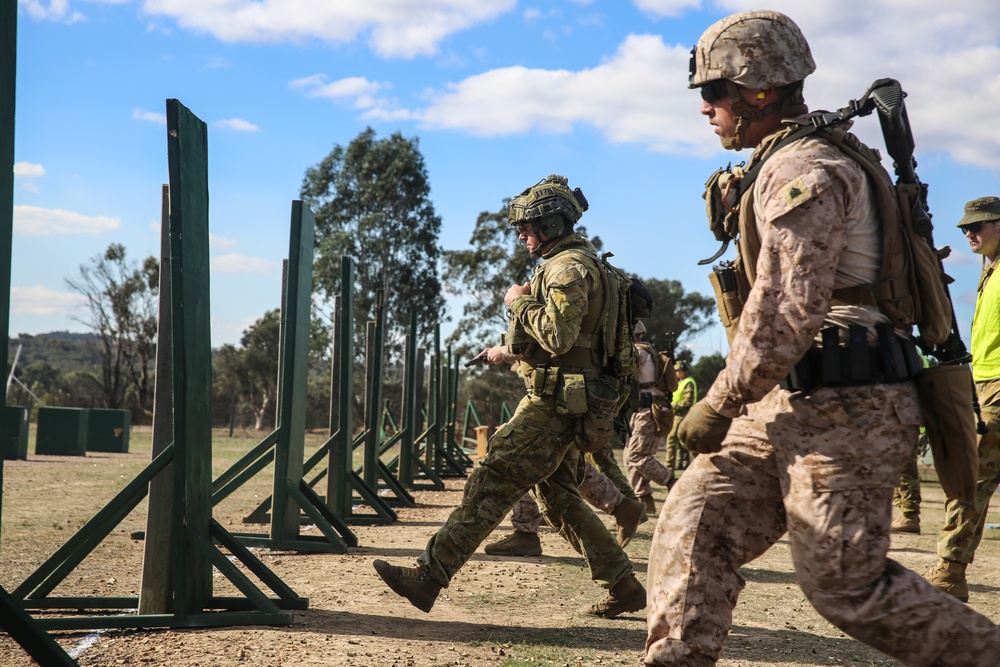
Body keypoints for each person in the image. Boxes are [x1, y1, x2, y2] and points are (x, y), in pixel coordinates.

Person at [645, 10, 1000, 666]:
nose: (705, 108)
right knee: (696, 516)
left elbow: (785, 311)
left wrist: (716, 404)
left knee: (847, 585)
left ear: (759, 91)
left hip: (848, 406)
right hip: (788, 400)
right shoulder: (790, 160)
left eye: (713, 91)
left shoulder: (805, 166)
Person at [374, 174, 646, 618]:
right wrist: (508, 348)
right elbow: (578, 344)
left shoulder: (565, 268)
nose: (522, 236)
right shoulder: (588, 264)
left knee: (492, 478)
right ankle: (624, 585)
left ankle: (429, 576)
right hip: (574, 400)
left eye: (528, 227)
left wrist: (516, 302)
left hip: (555, 403)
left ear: (553, 225)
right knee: (557, 497)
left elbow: (559, 337)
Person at [924, 196, 1000, 601]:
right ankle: (952, 572)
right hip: (985, 384)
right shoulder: (991, 271)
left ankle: (950, 572)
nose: (971, 233)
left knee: (970, 481)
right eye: (966, 228)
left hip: (998, 390)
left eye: (979, 226)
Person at [485, 457, 647, 556]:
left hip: (560, 407)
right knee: (558, 462)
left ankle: (525, 533)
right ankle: (621, 507)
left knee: (532, 459)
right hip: (564, 408)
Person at [623, 320, 675, 514]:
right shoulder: (647, 352)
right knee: (629, 457)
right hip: (643, 411)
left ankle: (671, 481)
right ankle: (644, 498)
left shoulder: (638, 353)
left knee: (636, 455)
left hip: (648, 411)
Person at [665, 360, 696, 471]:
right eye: (675, 370)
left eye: (678, 370)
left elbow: (688, 401)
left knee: (672, 440)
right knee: (684, 442)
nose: (676, 372)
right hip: (676, 415)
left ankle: (669, 467)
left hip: (683, 415)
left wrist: (673, 405)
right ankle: (698, 460)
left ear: (684, 371)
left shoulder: (688, 382)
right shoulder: (679, 382)